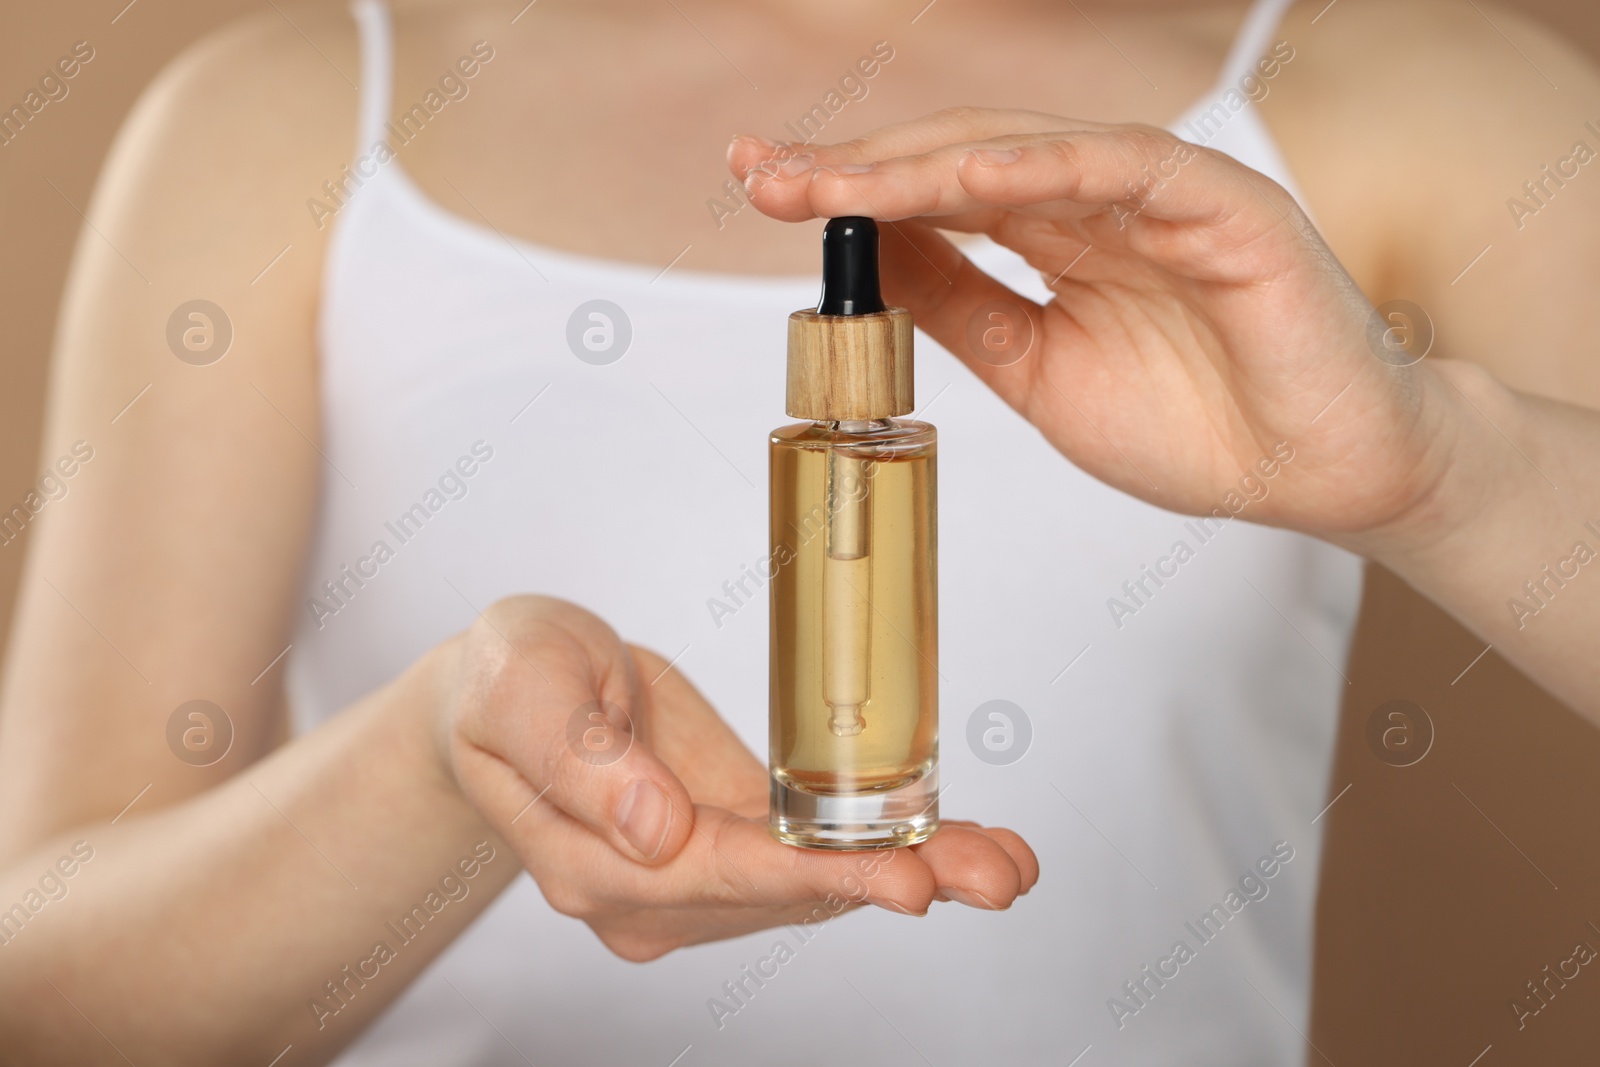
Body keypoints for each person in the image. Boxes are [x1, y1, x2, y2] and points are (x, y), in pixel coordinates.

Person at [2, 0, 1598, 1064]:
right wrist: (431, 766)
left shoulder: (1408, 90)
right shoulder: (280, 115)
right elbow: (45, 982)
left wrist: (1443, 472)